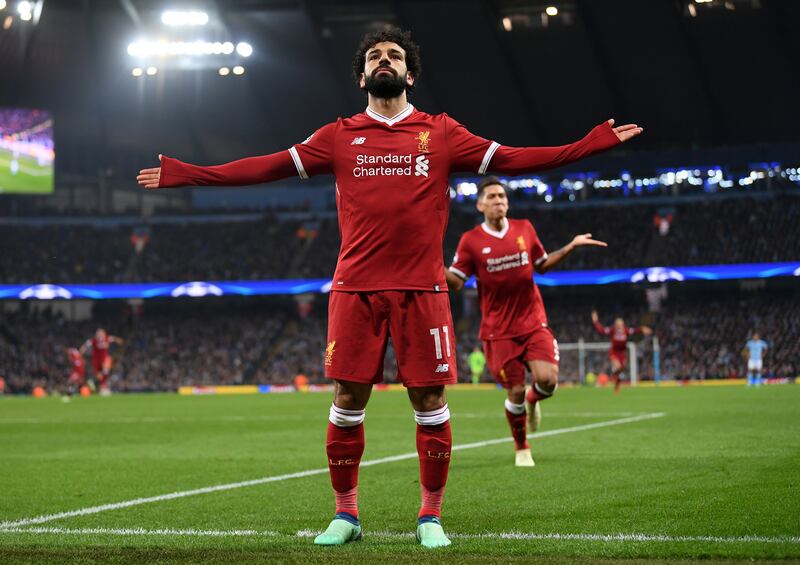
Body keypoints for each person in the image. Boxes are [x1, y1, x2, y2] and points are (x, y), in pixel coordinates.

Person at [137, 27, 642, 547]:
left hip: (422, 290)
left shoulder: (440, 132)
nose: (385, 59)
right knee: (347, 397)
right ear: (362, 76)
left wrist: (590, 144)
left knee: (428, 400)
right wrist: (188, 174)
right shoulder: (338, 135)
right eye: (375, 55)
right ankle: (345, 515)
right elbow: (265, 167)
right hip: (355, 289)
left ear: (410, 74)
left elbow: (516, 158)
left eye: (395, 55)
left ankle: (430, 518)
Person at [446, 176, 608, 467]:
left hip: (533, 321)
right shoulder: (471, 241)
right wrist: (430, 263)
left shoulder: (524, 229)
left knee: (548, 381)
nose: (499, 201)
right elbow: (456, 282)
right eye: (493, 197)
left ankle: (534, 401)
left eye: (503, 197)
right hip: (498, 331)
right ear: (480, 204)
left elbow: (541, 265)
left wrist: (570, 247)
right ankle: (522, 448)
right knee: (515, 391)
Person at [591, 310, 651, 394]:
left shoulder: (626, 330)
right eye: (618, 324)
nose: (619, 326)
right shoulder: (612, 330)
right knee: (617, 366)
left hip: (622, 354)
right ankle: (602, 380)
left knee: (620, 370)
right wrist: (595, 321)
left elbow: (635, 331)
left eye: (621, 324)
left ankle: (613, 382)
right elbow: (602, 330)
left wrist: (642, 328)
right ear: (615, 325)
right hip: (614, 352)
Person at [80, 328, 124, 395]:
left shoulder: (107, 338)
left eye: (101, 333)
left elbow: (114, 339)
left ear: (104, 333)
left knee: (106, 368)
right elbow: (86, 345)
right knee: (99, 376)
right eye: (98, 333)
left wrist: (119, 340)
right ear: (96, 334)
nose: (100, 335)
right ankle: (99, 386)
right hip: (96, 361)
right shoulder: (93, 340)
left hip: (104, 359)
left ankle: (103, 386)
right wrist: (81, 351)